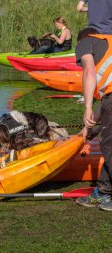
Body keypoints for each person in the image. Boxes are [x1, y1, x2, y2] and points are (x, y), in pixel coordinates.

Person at [75, 28, 112, 211]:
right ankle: (104, 193)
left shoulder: (85, 42)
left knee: (109, 147)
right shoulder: (108, 43)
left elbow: (89, 71)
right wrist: (88, 127)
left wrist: (87, 107)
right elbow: (106, 102)